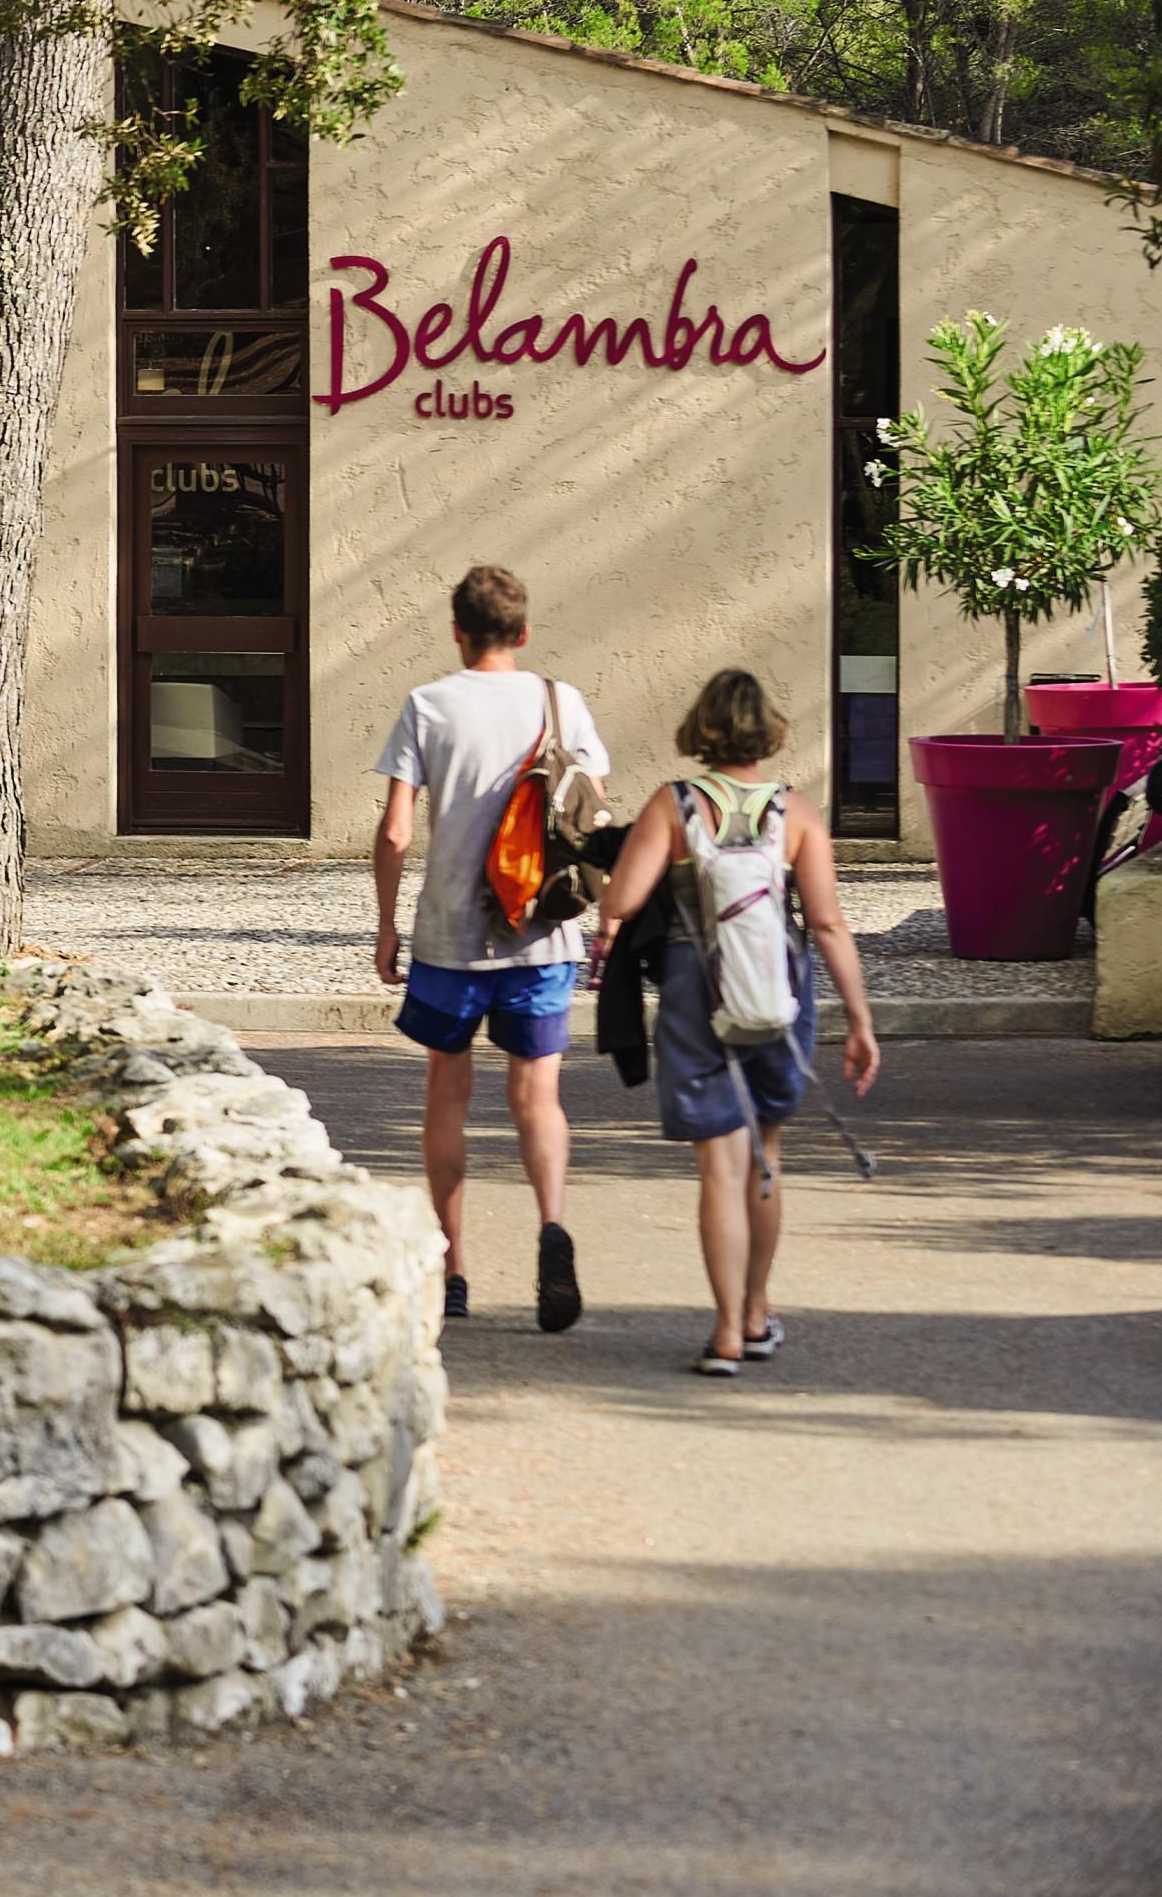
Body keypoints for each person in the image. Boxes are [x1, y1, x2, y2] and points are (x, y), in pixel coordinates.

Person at [591, 669, 882, 1378]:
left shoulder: (674, 804)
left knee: (718, 1167)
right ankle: (757, 1313)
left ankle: (723, 1333)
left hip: (697, 985)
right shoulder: (799, 813)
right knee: (765, 1156)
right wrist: (861, 1019)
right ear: (767, 729)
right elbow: (828, 923)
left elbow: (624, 896)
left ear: (703, 728)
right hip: (777, 984)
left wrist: (610, 918)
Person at [372, 564, 606, 1331]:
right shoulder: (560, 701)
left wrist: (386, 923)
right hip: (543, 932)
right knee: (538, 1097)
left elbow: (398, 830)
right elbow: (590, 816)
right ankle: (551, 1226)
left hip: (451, 938)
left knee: (448, 1094)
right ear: (525, 632)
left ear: (457, 632)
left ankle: (454, 1267)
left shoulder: (428, 705)